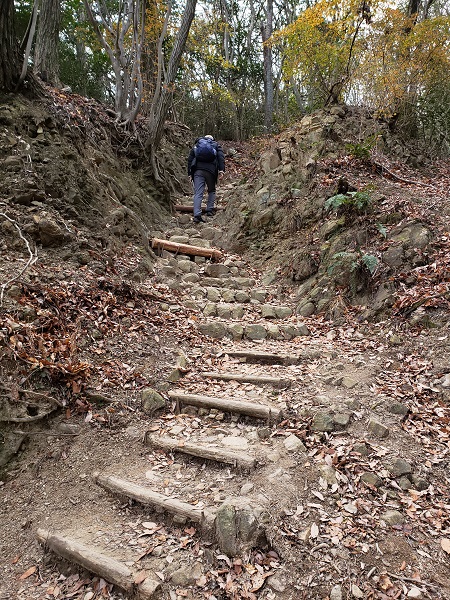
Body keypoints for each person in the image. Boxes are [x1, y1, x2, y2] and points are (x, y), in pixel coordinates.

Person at [187, 135, 225, 224]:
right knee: (211, 190)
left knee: (198, 193)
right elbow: (221, 158)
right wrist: (221, 171)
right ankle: (209, 210)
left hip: (197, 171)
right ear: (212, 140)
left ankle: (197, 215)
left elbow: (190, 159)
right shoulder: (215, 145)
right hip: (211, 171)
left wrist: (189, 174)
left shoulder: (197, 145)